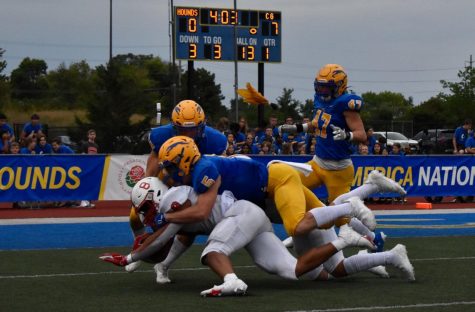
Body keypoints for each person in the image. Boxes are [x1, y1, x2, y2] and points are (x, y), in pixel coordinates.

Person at [102, 178, 412, 296]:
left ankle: (231, 280)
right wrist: (162, 265)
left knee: (216, 251)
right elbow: (179, 237)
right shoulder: (175, 201)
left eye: (145, 206)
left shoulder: (173, 200)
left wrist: (131, 258)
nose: (144, 213)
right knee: (295, 272)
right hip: (251, 219)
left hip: (246, 214)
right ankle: (350, 239)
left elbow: (163, 235)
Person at [151, 136, 405, 280]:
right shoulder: (202, 166)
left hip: (276, 183)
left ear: (186, 160)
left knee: (298, 225)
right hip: (270, 193)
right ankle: (386, 248)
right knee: (329, 269)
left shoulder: (204, 171)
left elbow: (200, 214)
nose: (171, 174)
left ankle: (353, 211)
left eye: (173, 166)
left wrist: (164, 218)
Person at [279, 64, 389, 247]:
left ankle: (373, 237)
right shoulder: (320, 100)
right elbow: (317, 123)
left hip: (338, 169)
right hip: (317, 163)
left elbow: (362, 135)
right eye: (319, 85)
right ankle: (298, 230)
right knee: (291, 184)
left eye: (326, 86)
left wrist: (348, 135)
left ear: (339, 86)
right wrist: (299, 128)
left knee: (339, 218)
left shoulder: (346, 105)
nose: (321, 89)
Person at [126, 99, 227, 274]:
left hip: (193, 182)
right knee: (136, 214)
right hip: (168, 177)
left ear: (202, 125)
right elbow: (152, 170)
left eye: (193, 128)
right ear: (174, 126)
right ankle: (140, 249)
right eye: (183, 129)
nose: (188, 133)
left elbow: (218, 169)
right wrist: (147, 187)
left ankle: (164, 265)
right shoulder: (161, 136)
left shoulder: (215, 141)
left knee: (188, 226)